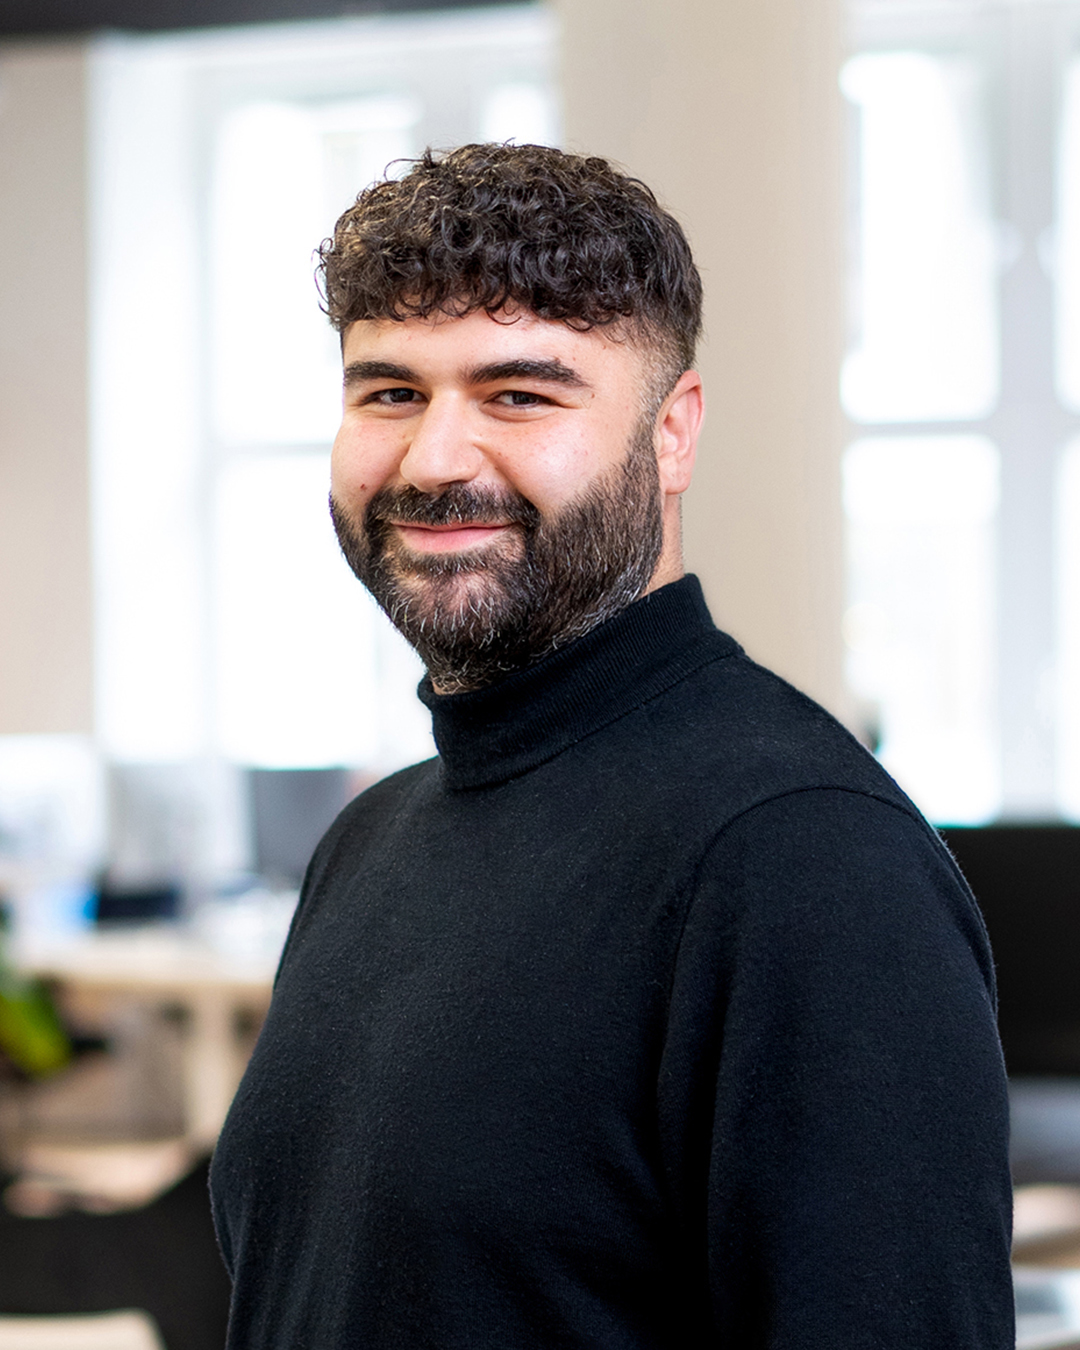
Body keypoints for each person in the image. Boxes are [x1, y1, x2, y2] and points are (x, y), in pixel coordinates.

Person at [209, 143, 1014, 1348]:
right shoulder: (373, 839)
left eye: (519, 395)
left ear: (673, 432)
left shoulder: (804, 861)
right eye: (390, 393)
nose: (434, 458)